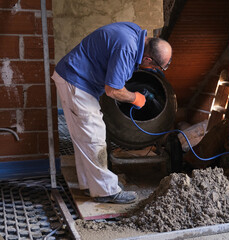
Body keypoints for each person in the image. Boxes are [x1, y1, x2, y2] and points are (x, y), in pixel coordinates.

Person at [52, 22, 172, 204]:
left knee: (83, 136)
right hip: (77, 82)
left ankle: (90, 185)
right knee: (94, 136)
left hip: (72, 76)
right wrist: (135, 98)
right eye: (157, 67)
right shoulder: (127, 48)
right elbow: (113, 90)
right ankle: (105, 191)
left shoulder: (134, 32)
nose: (154, 71)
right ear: (148, 59)